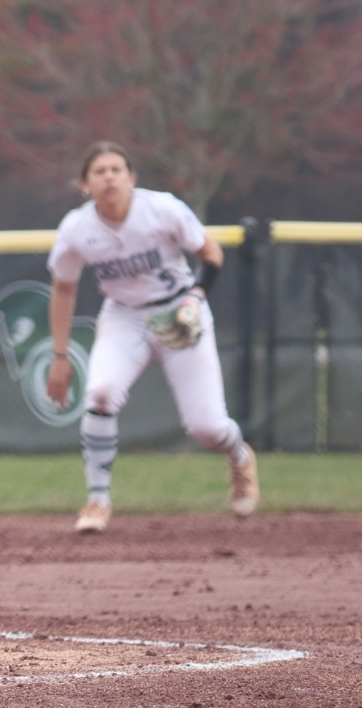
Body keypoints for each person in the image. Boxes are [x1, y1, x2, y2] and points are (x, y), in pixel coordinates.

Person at [44, 141, 259, 533]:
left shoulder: (162, 209)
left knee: (207, 427)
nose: (109, 177)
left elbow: (212, 254)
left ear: (131, 178)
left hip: (179, 310)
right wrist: (60, 356)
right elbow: (63, 288)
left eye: (116, 169)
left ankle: (240, 456)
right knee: (101, 393)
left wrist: (195, 297)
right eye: (99, 171)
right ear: (84, 185)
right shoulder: (77, 229)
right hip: (124, 316)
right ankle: (97, 500)